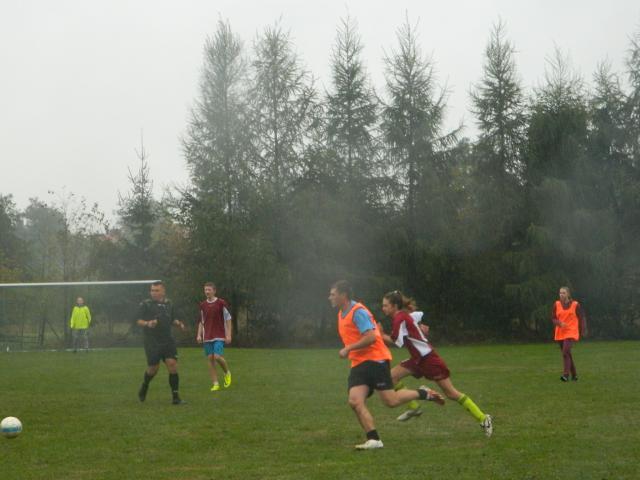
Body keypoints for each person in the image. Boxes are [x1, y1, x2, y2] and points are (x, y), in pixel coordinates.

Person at [329, 280, 444, 450]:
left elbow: (371, 337)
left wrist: (348, 348)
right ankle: (374, 439)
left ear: (343, 295)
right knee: (355, 401)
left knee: (391, 401)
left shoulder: (357, 312)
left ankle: (424, 393)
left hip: (376, 360)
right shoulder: (341, 313)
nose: (330, 297)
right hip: (359, 363)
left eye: (333, 294)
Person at [381, 291, 493, 437]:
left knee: (451, 393)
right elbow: (415, 319)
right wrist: (420, 328)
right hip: (417, 359)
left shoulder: (399, 318)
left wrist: (379, 334)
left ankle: (483, 418)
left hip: (429, 359)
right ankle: (414, 407)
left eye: (385, 305)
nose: (383, 308)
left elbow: (397, 342)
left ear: (394, 306)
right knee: (391, 377)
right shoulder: (402, 316)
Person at [136, 281, 186, 405]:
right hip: (152, 341)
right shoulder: (145, 304)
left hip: (168, 340)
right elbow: (137, 320)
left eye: (157, 290)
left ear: (163, 291)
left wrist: (178, 324)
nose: (154, 293)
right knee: (153, 369)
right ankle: (145, 385)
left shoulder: (169, 304)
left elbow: (172, 318)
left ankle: (176, 397)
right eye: (152, 290)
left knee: (172, 365)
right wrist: (148, 323)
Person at [196, 282, 232, 391]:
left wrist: (228, 334)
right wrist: (199, 334)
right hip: (207, 336)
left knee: (217, 357)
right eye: (205, 290)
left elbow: (228, 318)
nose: (207, 292)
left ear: (214, 291)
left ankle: (227, 372)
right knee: (210, 359)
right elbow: (201, 321)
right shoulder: (203, 305)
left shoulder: (221, 303)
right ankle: (215, 383)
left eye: (209, 290)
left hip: (219, 335)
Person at [552, 286, 587, 382]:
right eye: (560, 293)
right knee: (567, 354)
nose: (561, 295)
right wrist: (559, 323)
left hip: (571, 332)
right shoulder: (556, 304)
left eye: (563, 293)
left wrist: (583, 329)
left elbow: (582, 317)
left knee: (565, 351)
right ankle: (574, 375)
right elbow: (553, 318)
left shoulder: (576, 305)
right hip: (560, 332)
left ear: (568, 294)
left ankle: (565, 375)